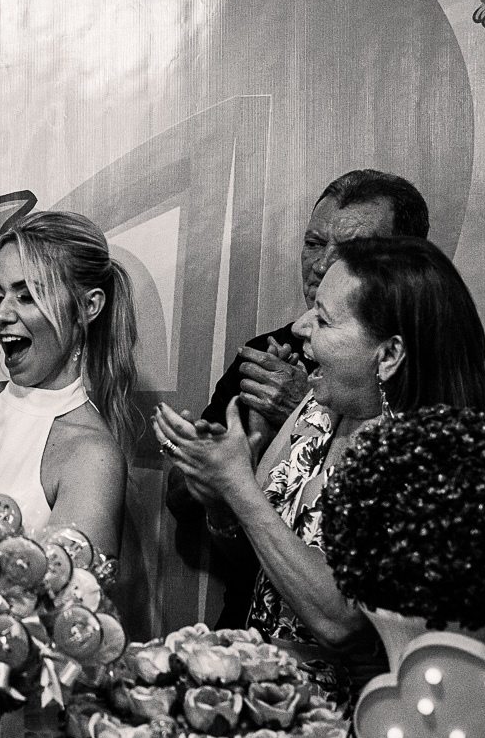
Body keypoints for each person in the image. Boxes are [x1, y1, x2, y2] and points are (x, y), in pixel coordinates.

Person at [153, 235, 485, 704]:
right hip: (268, 701)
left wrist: (239, 489)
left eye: (325, 319)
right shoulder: (317, 406)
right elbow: (258, 565)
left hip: (358, 721)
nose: (302, 325)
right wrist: (220, 499)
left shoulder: (432, 456)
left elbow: (341, 624)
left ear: (388, 355)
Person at [173, 169, 430, 629]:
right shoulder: (271, 357)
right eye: (313, 243)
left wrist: (288, 415)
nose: (323, 265)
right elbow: (242, 548)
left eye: (351, 252)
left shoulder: (427, 422)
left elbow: (344, 624)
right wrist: (223, 485)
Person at [0, 210, 141, 738]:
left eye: (27, 295)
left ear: (88, 308)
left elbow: (68, 634)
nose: (3, 314)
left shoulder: (90, 454)